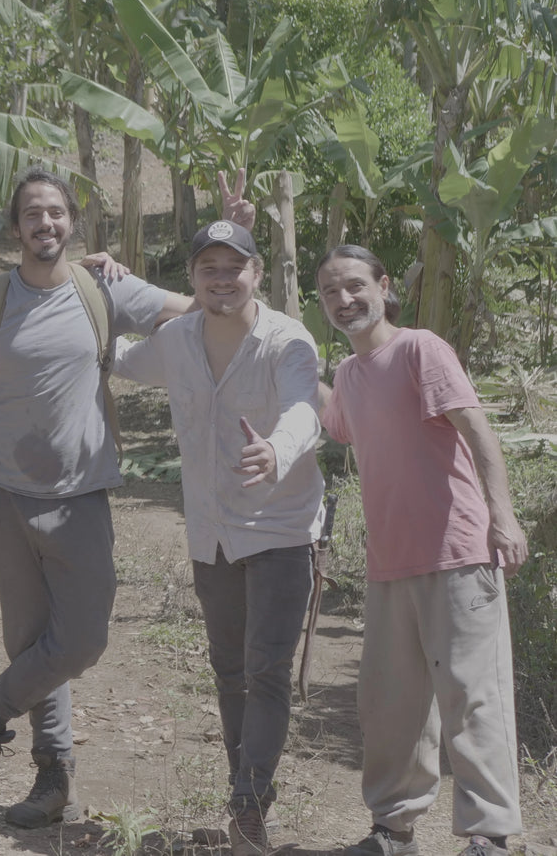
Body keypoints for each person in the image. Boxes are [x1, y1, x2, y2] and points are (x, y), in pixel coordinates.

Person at [0, 168, 252, 828]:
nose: (44, 222)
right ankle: (53, 778)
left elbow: (198, 306)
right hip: (1, 492)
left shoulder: (101, 288)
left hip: (79, 493)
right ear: (14, 225)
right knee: (31, 641)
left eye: (55, 211)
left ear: (72, 221)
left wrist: (234, 239)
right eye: (32, 213)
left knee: (79, 640)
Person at [112, 219, 324, 856]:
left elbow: (304, 409)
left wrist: (277, 451)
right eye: (210, 268)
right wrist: (103, 284)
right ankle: (244, 792)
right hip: (210, 534)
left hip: (280, 531)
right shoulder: (176, 339)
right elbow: (112, 355)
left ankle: (250, 803)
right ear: (194, 279)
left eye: (235, 268)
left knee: (266, 672)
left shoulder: (288, 339)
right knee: (229, 672)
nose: (223, 279)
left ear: (257, 273)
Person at [316, 245, 526, 856]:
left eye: (355, 285)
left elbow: (477, 431)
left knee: (472, 696)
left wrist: (503, 517)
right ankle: (393, 830)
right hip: (388, 561)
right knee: (390, 705)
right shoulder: (352, 376)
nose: (344, 299)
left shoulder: (420, 349)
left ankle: (489, 835)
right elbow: (336, 421)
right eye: (331, 291)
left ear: (385, 286)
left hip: (457, 550)